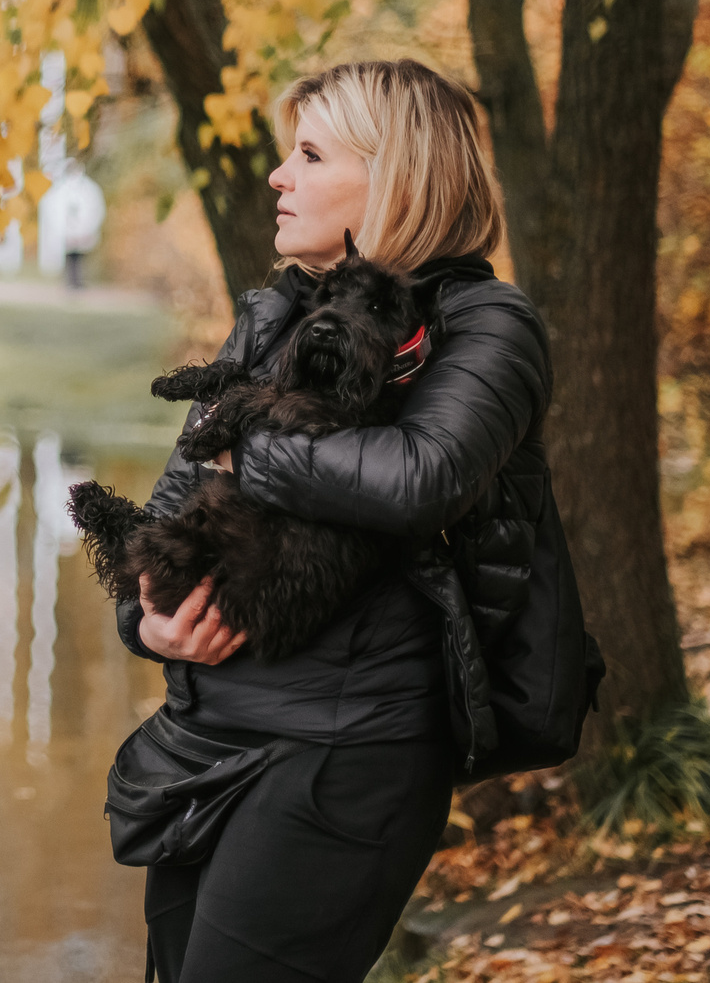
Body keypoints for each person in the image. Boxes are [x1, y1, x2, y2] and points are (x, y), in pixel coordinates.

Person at [120, 58, 550, 983]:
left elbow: (420, 477)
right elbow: (173, 497)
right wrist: (146, 617)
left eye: (310, 154)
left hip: (346, 748)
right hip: (204, 735)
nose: (279, 176)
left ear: (397, 176)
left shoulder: (486, 328)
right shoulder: (276, 314)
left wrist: (244, 446)